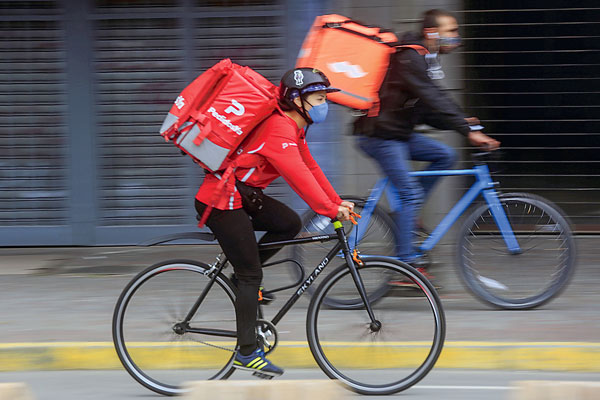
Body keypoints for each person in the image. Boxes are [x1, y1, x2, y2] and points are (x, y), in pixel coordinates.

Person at [195, 67, 354, 377]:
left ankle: (243, 279)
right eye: (319, 98)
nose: (324, 105)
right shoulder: (279, 129)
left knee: (288, 223)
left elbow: (310, 168)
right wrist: (329, 210)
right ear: (297, 101)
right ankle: (247, 352)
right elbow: (298, 178)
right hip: (221, 200)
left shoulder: (293, 129)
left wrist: (336, 201)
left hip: (243, 196)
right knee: (251, 274)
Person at [354, 9, 500, 268]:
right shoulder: (410, 57)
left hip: (397, 134)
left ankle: (406, 218)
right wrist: (467, 131)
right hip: (379, 136)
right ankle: (405, 266)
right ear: (432, 33)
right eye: (451, 31)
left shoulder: (423, 59)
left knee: (445, 155)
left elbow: (425, 111)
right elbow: (434, 97)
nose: (457, 37)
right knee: (410, 194)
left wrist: (461, 124)